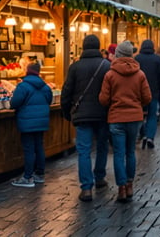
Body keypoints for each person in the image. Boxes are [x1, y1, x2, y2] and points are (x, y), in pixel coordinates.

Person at [99, 41, 152, 203]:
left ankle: (121, 188)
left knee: (119, 153)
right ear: (131, 55)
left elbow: (103, 99)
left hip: (116, 118)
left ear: (119, 55)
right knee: (130, 152)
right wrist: (136, 104)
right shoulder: (140, 74)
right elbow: (147, 98)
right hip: (135, 118)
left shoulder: (110, 74)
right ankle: (129, 185)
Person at [61, 34, 111, 202]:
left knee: (84, 150)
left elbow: (66, 91)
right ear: (98, 47)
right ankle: (99, 177)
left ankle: (87, 188)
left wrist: (67, 112)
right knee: (102, 146)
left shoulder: (75, 67)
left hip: (82, 114)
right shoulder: (106, 66)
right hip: (103, 114)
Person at [10, 63, 53, 187]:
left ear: (27, 71)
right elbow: (49, 101)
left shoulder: (23, 86)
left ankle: (27, 177)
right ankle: (39, 174)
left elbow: (14, 103)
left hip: (27, 121)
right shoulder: (45, 87)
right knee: (39, 146)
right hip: (41, 121)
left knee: (29, 148)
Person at [135, 39, 160, 149]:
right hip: (153, 93)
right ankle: (150, 137)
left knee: (140, 115)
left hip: (139, 94)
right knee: (152, 116)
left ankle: (143, 134)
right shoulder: (158, 59)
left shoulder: (136, 59)